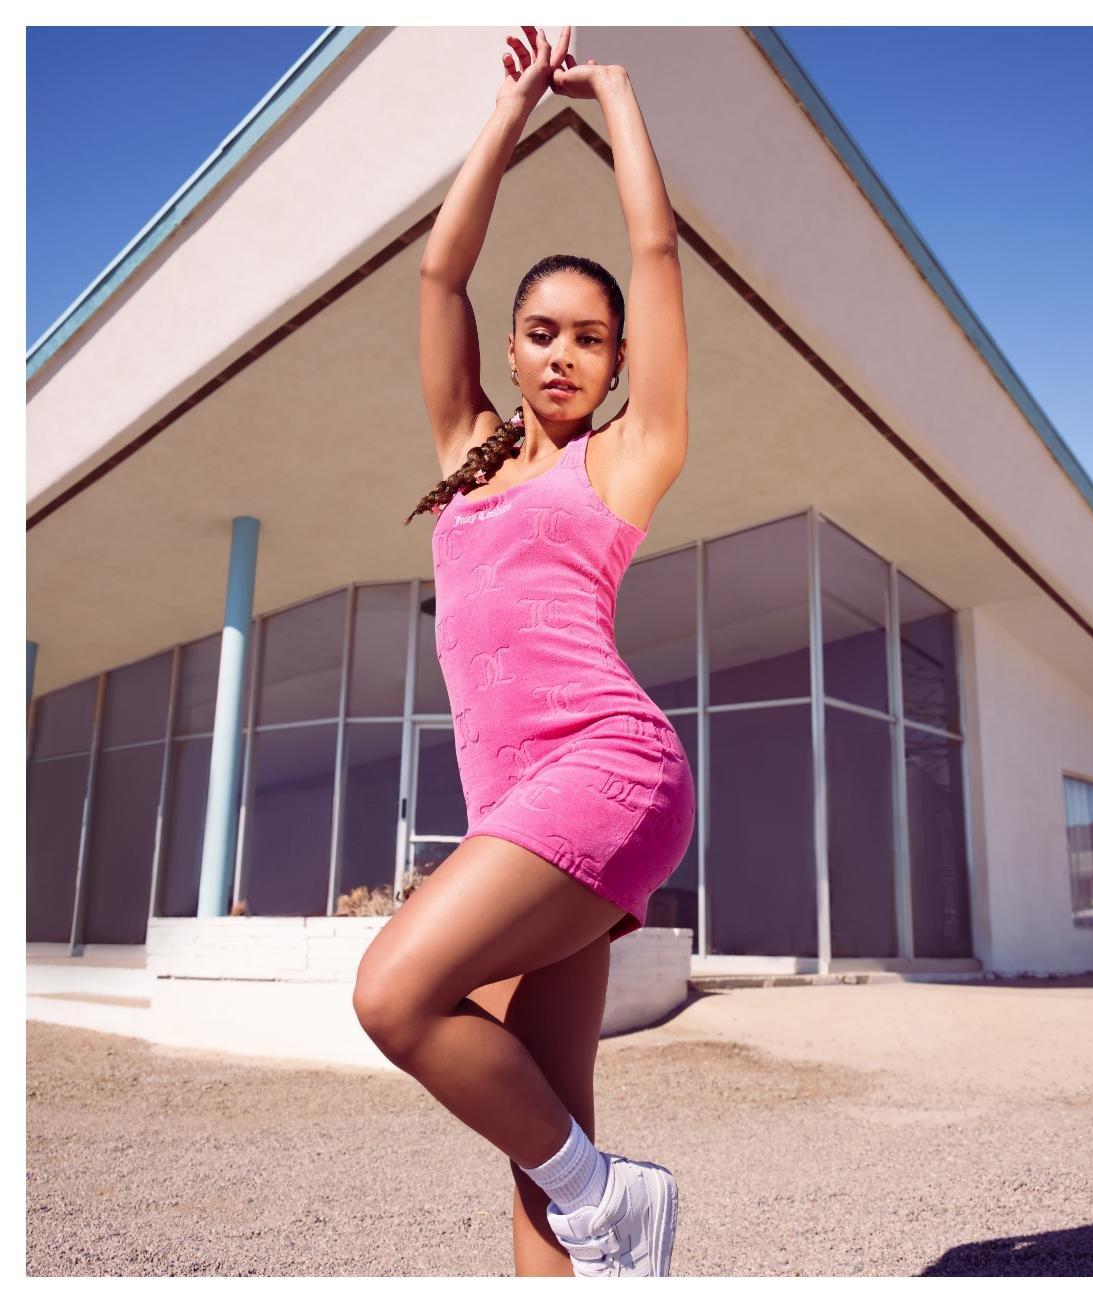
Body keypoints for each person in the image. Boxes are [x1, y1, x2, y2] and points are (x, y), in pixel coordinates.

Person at [353, 27, 694, 1277]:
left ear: (614, 365)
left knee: (393, 996)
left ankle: (613, 1198)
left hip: (608, 772)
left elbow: (654, 252)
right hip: (518, 806)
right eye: (542, 332)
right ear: (511, 348)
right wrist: (506, 112)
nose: (563, 354)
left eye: (589, 339)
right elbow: (439, 277)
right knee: (543, 1138)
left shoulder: (630, 455)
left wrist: (612, 96)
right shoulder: (467, 455)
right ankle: (609, 1220)